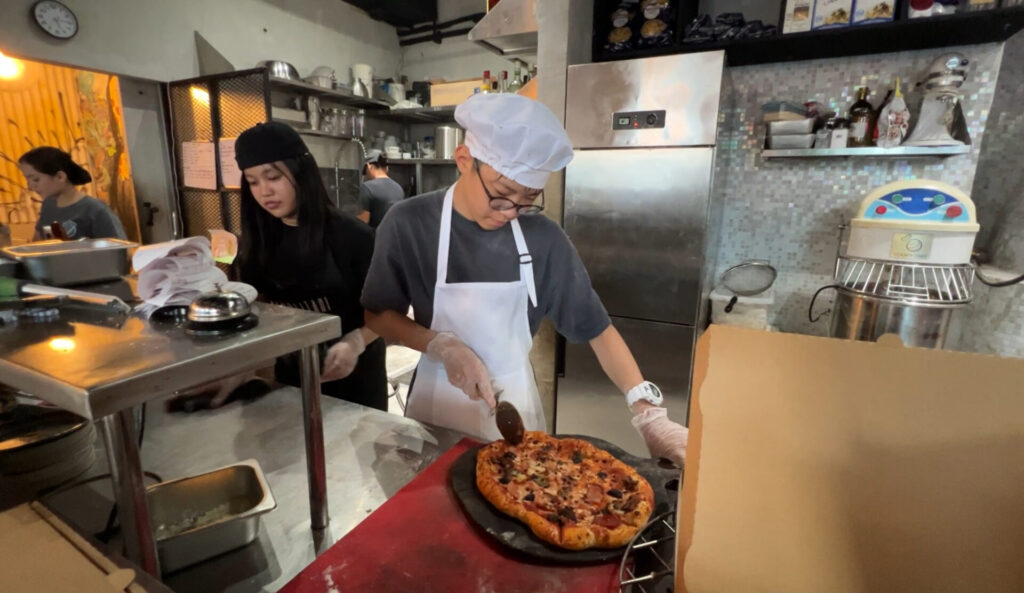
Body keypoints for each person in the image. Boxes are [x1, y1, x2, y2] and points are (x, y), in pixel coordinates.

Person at [361, 94, 688, 466]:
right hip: (436, 414)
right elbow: (378, 316)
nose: (511, 213)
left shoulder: (543, 238)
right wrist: (441, 346)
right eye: (501, 196)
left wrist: (648, 412)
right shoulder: (409, 223)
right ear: (464, 160)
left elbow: (597, 329)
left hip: (514, 410)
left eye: (527, 199)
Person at [232, 121, 387, 410]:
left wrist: (356, 342)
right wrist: (245, 369)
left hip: (355, 379)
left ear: (301, 172)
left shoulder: (353, 236)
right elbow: (258, 309)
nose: (264, 191)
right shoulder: (257, 242)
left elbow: (390, 310)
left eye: (273, 177)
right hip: (292, 381)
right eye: (253, 182)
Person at [18, 146, 127, 241]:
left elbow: (120, 251)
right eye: (27, 180)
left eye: (36, 179)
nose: (30, 186)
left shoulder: (95, 210)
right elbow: (38, 244)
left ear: (60, 177)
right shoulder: (48, 205)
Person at [356, 150, 404, 228]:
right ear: (387, 168)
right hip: (393, 234)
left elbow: (363, 222)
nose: (367, 175)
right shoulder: (399, 188)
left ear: (369, 166)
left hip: (376, 235)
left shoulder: (367, 187)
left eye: (366, 171)